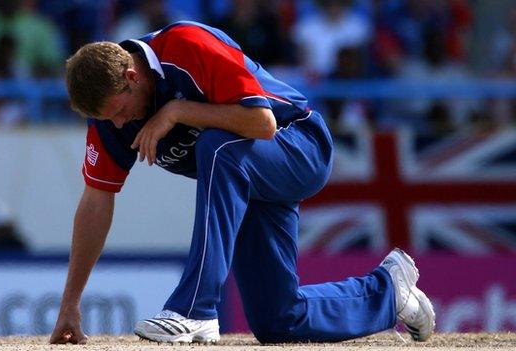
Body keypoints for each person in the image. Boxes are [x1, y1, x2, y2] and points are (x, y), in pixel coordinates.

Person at [49, 21, 435, 345]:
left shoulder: (186, 46)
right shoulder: (109, 115)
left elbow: (262, 124)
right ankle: (390, 290)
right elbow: (96, 201)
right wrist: (70, 303)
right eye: (109, 119)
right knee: (278, 321)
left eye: (119, 112)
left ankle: (195, 309)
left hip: (299, 142)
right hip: (247, 177)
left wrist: (179, 110)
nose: (119, 125)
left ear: (132, 76)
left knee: (215, 146)